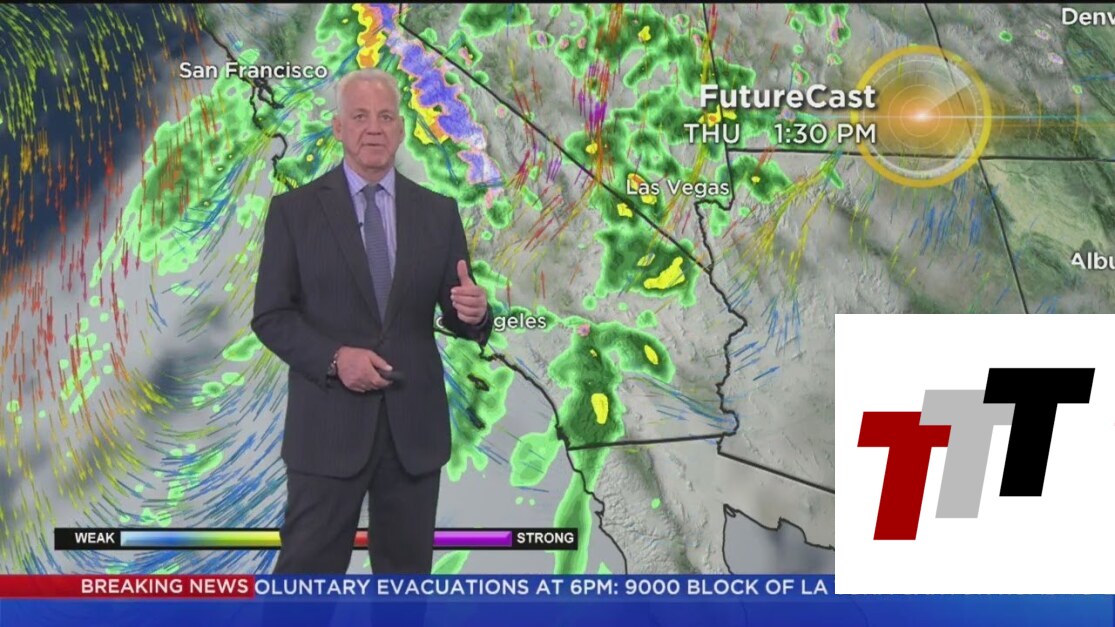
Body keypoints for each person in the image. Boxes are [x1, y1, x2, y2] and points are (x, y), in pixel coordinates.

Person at [251, 67, 493, 574]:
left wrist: (475, 313)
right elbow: (271, 316)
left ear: (401, 129)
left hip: (413, 435)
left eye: (385, 117)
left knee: (404, 591)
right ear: (339, 128)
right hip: (327, 432)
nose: (374, 128)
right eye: (360, 117)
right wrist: (336, 359)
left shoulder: (438, 213)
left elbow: (458, 311)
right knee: (306, 586)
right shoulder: (294, 213)